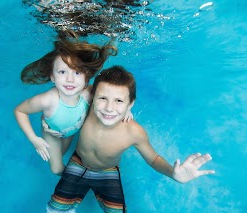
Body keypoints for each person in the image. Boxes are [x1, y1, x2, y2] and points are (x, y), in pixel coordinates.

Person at [45, 66, 215, 213]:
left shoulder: (134, 132)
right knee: (55, 209)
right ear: (92, 96)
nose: (109, 108)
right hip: (78, 163)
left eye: (119, 101)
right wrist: (52, 123)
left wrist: (173, 173)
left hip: (107, 171)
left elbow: (154, 159)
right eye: (103, 98)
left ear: (130, 103)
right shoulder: (85, 107)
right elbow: (64, 94)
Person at [14, 31, 123, 176]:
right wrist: (34, 138)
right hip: (53, 134)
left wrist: (124, 110)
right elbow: (20, 111)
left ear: (86, 78)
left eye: (77, 73)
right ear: (52, 76)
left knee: (63, 152)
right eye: (62, 72)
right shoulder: (48, 100)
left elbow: (112, 95)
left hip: (72, 130)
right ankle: (75, 179)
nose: (70, 79)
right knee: (56, 168)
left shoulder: (89, 92)